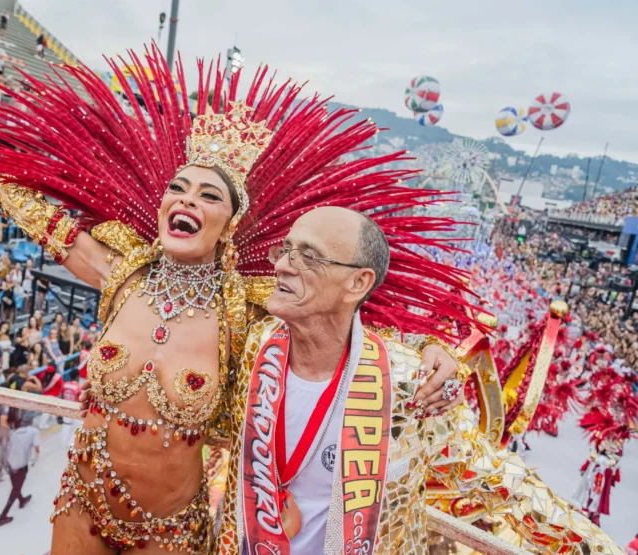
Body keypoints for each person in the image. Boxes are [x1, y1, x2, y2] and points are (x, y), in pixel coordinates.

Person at [0, 51, 471, 553]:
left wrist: (431, 349)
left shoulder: (245, 311)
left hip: (169, 530)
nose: (186, 200)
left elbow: (337, 319)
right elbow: (38, 217)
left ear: (228, 225)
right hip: (79, 508)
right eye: (178, 189)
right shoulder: (123, 273)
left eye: (208, 196)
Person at [225, 206, 624, 554]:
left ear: (358, 283)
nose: (282, 265)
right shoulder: (255, 343)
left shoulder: (412, 383)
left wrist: (597, 548)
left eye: (308, 256)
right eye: (286, 249)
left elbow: (499, 482)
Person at [0, 410, 38, 526]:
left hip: (10, 465)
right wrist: (34, 461)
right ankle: (3, 516)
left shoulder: (11, 433)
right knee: (15, 489)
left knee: (16, 486)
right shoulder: (32, 432)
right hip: (21, 466)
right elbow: (36, 449)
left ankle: (22, 500)